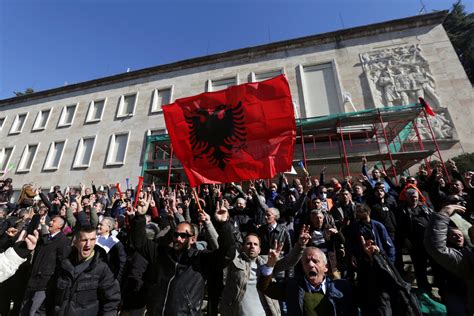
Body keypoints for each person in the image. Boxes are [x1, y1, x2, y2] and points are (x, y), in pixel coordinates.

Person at [129, 197, 235, 315]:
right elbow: (139, 243)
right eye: (176, 234)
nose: (178, 238)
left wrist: (224, 224)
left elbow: (227, 255)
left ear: (193, 239)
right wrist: (139, 217)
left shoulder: (201, 259)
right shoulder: (162, 253)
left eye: (183, 235)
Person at [220, 227, 310, 315]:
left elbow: (288, 261)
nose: (252, 246)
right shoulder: (234, 260)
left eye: (255, 244)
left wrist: (300, 245)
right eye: (249, 243)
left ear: (259, 250)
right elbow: (223, 246)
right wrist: (218, 224)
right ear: (242, 247)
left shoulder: (267, 262)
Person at [45, 225, 121, 316]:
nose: (88, 244)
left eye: (92, 239)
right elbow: (50, 294)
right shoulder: (64, 264)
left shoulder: (103, 268)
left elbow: (111, 303)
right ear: (76, 241)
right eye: (84, 240)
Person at [257, 246, 355, 315]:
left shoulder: (342, 287)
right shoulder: (292, 287)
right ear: (303, 266)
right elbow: (265, 287)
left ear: (326, 267)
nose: (311, 265)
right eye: (307, 262)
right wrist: (270, 264)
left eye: (315, 261)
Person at [424, 204, 474, 315]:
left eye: (460, 235)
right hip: (456, 293)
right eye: (454, 235)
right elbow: (436, 247)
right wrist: (444, 214)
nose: (459, 237)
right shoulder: (464, 257)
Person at [21, 216, 70, 316]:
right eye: (51, 220)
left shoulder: (63, 241)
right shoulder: (45, 238)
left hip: (44, 284)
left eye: (53, 221)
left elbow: (63, 263)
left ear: (60, 226)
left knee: (34, 311)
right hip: (32, 279)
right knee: (24, 308)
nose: (50, 222)